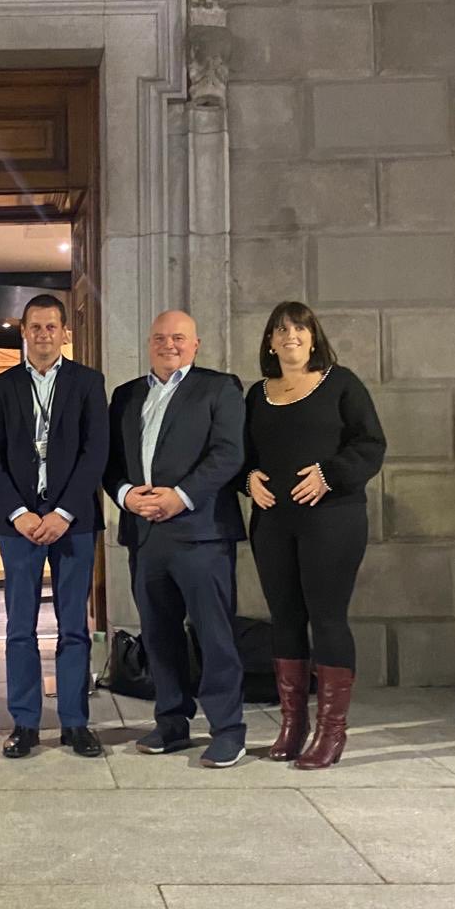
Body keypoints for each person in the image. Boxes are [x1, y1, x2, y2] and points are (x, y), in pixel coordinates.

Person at [244, 301, 385, 769]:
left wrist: (329, 474)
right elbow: (240, 455)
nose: (290, 337)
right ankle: (292, 727)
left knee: (327, 618)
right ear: (269, 341)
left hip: (333, 519)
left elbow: (370, 445)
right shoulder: (256, 394)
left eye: (299, 328)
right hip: (273, 523)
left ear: (312, 335)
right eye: (280, 330)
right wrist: (248, 480)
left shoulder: (341, 384)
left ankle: (331, 733)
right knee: (284, 618)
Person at [104, 310, 247, 768]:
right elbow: (109, 463)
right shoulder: (127, 395)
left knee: (214, 635)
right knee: (159, 634)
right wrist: (128, 496)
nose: (169, 344)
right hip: (145, 533)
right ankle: (172, 722)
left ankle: (228, 730)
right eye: (161, 338)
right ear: (149, 343)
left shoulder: (219, 387)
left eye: (179, 338)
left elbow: (229, 455)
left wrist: (180, 497)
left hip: (201, 533)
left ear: (196, 344)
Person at [0, 294, 108, 759]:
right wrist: (19, 512)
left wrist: (63, 513)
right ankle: (26, 723)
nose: (43, 334)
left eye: (52, 327)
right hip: (20, 526)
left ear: (64, 332)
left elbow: (96, 453)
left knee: (74, 627)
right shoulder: (2, 385)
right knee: (19, 628)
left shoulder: (88, 383)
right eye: (35, 327)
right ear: (24, 332)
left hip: (72, 524)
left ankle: (75, 722)